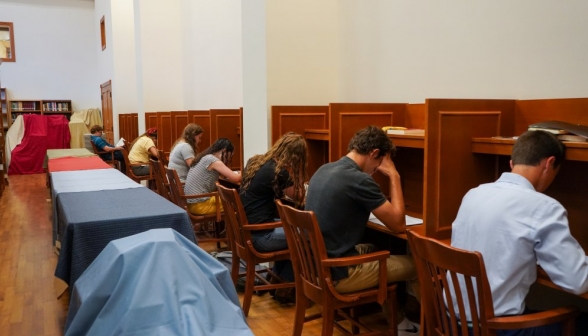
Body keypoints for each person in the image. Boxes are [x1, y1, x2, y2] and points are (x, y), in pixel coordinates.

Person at [450, 130, 588, 335]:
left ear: (512, 163)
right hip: (497, 329)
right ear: (549, 163)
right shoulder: (544, 207)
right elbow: (577, 281)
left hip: (453, 321)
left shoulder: (474, 193)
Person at [305, 125, 418, 332]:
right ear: (374, 153)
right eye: (378, 165)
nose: (376, 171)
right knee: (419, 266)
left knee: (377, 248)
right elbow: (398, 224)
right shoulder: (359, 179)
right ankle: (436, 328)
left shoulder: (324, 169)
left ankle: (401, 324)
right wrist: (394, 176)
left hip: (314, 268)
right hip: (339, 273)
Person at [239, 132, 308, 290]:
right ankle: (285, 286)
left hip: (246, 231)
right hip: (259, 236)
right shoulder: (278, 172)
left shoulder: (255, 161)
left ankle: (279, 283)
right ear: (296, 156)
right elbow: (299, 196)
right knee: (306, 236)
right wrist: (297, 170)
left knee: (291, 227)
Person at [184, 138, 241, 215]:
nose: (229, 158)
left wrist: (237, 172)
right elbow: (235, 178)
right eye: (230, 155)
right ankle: (233, 227)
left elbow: (223, 175)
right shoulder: (213, 160)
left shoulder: (206, 157)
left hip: (192, 202)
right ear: (224, 150)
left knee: (229, 198)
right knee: (237, 201)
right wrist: (248, 171)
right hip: (200, 205)